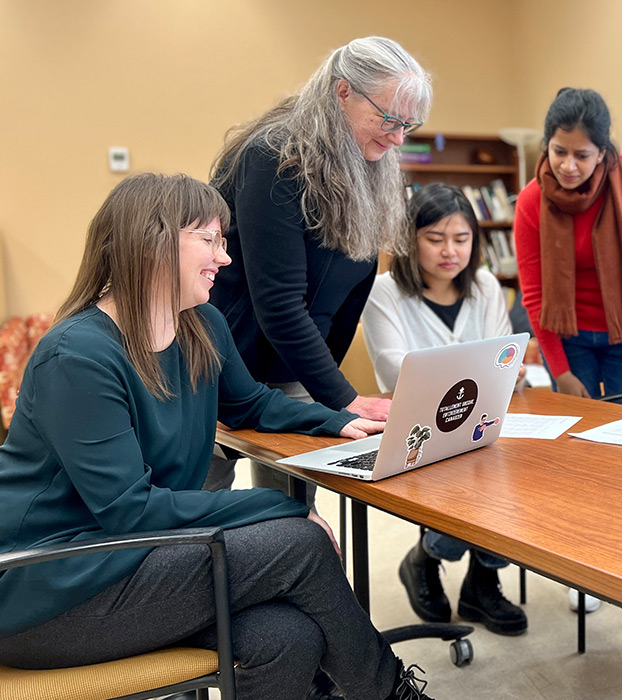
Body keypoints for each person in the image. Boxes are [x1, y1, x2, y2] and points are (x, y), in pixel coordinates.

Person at [0, 174, 433, 700]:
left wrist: (337, 418)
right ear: (152, 243)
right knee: (300, 541)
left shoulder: (200, 324)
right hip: (47, 586)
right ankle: (393, 694)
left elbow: (249, 403)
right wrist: (280, 505)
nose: (224, 258)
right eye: (209, 240)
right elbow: (130, 512)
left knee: (286, 639)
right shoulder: (77, 357)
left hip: (135, 558)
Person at [204, 36, 431, 503]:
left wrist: (325, 390)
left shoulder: (372, 161)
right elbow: (279, 301)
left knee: (292, 510)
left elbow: (351, 293)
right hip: (221, 359)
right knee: (206, 506)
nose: (397, 138)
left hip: (297, 364)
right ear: (343, 93)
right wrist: (342, 396)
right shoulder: (274, 156)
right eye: (388, 119)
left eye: (409, 124)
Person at [361, 183, 527, 636]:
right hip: (419, 428)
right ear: (410, 239)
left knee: (517, 470)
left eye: (461, 239)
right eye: (435, 239)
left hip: (485, 419)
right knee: (465, 475)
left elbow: (504, 360)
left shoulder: (487, 286)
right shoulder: (383, 291)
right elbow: (394, 372)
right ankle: (427, 560)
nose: (450, 252)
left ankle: (481, 581)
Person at [514, 87, 622, 406]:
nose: (568, 166)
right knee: (576, 436)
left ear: (602, 152)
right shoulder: (531, 201)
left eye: (582, 155)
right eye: (559, 151)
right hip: (568, 340)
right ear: (546, 145)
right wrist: (561, 372)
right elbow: (534, 296)